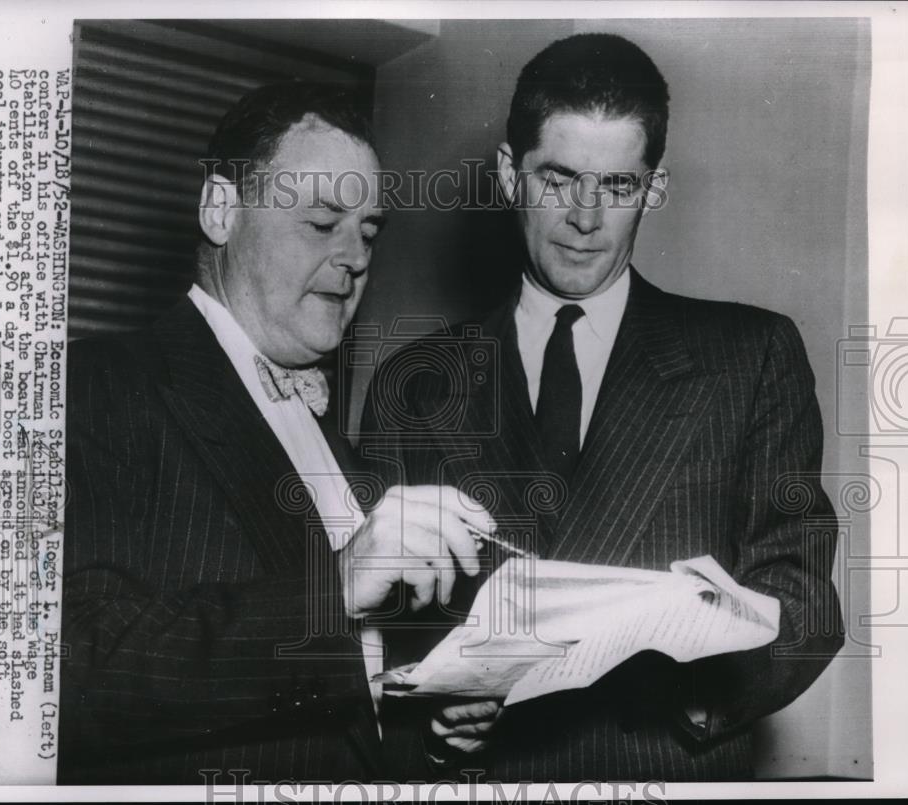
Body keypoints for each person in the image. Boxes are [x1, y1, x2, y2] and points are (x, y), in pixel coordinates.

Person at [360, 33, 844, 781]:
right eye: (558, 179)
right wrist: (431, 720)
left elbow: (804, 602)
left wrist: (676, 696)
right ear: (507, 175)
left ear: (654, 187)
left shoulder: (750, 357)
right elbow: (374, 633)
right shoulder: (413, 383)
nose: (586, 218)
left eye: (618, 187)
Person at [58, 82, 498, 784]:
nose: (356, 257)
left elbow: (348, 717)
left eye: (370, 230)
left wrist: (435, 724)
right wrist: (335, 587)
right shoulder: (97, 384)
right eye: (323, 223)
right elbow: (69, 670)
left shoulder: (345, 455)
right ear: (220, 210)